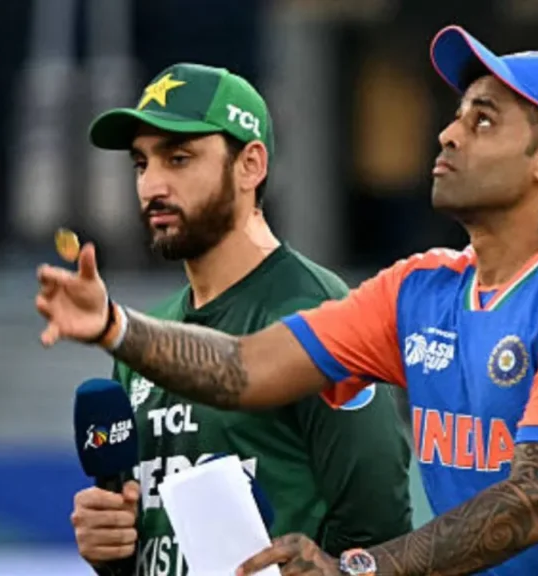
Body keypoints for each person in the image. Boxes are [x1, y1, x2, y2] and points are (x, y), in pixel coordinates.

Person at [37, 27, 538, 576]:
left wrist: (357, 569)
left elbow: (536, 499)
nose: (448, 133)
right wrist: (114, 326)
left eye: (483, 121)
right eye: (458, 115)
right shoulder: (420, 286)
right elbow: (247, 367)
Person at [67, 62, 414, 576]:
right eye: (141, 164)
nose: (151, 186)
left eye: (178, 158)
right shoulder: (147, 335)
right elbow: (156, 538)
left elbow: (379, 527)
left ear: (250, 165)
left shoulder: (320, 312)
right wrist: (111, 548)